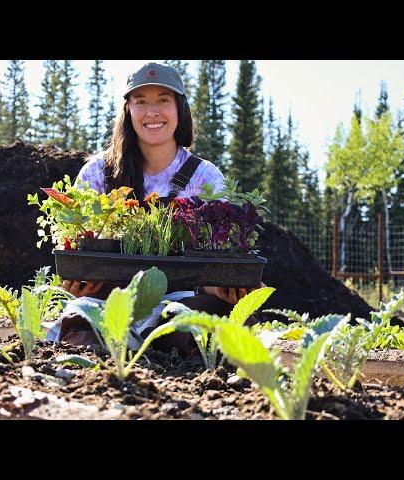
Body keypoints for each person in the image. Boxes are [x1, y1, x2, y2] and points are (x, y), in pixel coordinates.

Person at [45, 62, 264, 356]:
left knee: (197, 325)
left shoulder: (204, 177)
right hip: (109, 303)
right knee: (84, 326)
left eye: (163, 100)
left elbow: (217, 260)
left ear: (179, 109)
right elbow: (75, 249)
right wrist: (77, 282)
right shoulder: (99, 173)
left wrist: (222, 286)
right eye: (141, 102)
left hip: (181, 303)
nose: (152, 112)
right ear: (128, 111)